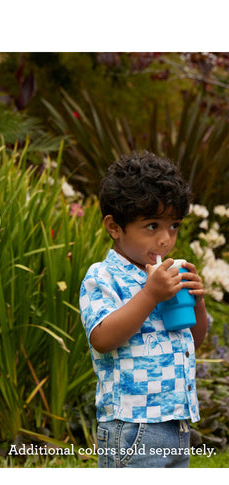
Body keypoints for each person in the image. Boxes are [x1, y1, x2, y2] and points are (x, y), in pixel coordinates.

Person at [79, 151, 208, 468]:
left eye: (174, 225)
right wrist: (150, 295)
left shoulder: (167, 278)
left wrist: (198, 302)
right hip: (131, 428)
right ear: (114, 226)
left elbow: (194, 340)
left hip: (176, 425)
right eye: (152, 226)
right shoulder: (104, 277)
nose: (166, 239)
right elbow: (102, 337)